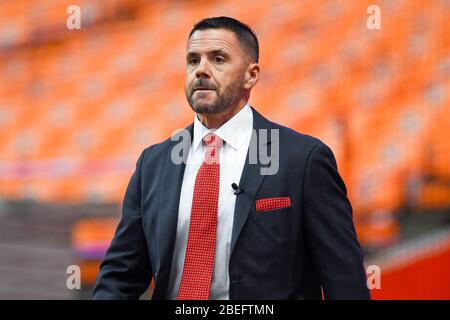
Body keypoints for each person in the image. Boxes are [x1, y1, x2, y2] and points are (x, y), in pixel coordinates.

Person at [92, 16, 370, 300]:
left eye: (218, 59)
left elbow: (345, 281)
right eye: (192, 60)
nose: (201, 70)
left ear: (251, 75)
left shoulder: (304, 160)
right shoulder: (153, 164)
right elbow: (120, 276)